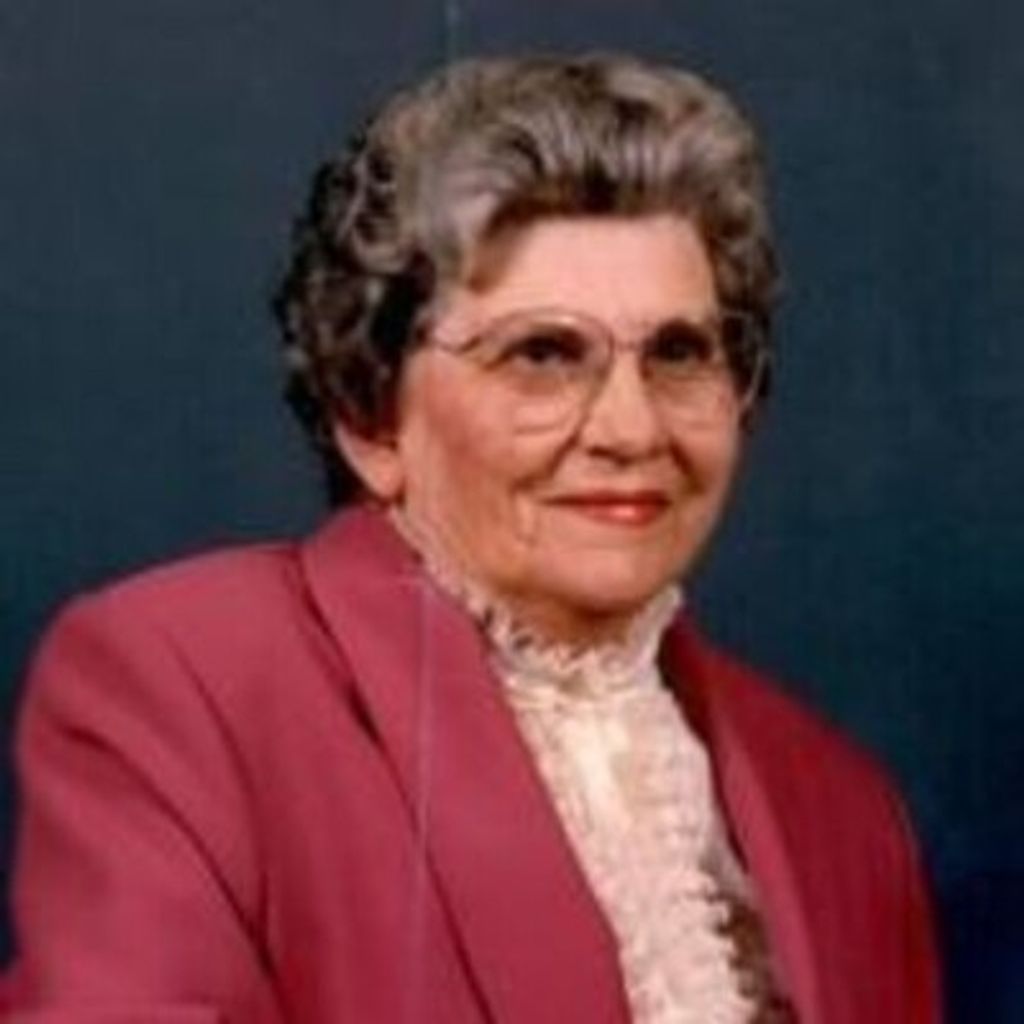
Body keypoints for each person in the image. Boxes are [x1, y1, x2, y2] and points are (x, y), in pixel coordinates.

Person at [4, 53, 941, 1023]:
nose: (631, 429)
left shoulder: (841, 805)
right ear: (370, 413)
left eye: (678, 353)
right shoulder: (187, 688)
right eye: (543, 354)